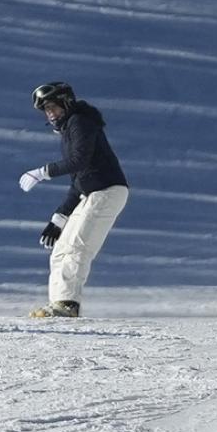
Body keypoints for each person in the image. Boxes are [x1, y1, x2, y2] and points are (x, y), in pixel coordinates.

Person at [18, 82, 129, 318]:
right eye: (46, 109)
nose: (50, 113)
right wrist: (58, 219)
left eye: (53, 107)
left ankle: (67, 304)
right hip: (92, 193)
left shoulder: (80, 122)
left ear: (66, 102)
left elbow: (78, 161)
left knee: (78, 247)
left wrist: (41, 172)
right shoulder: (70, 129)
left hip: (107, 191)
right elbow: (78, 181)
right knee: (60, 250)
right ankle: (58, 303)